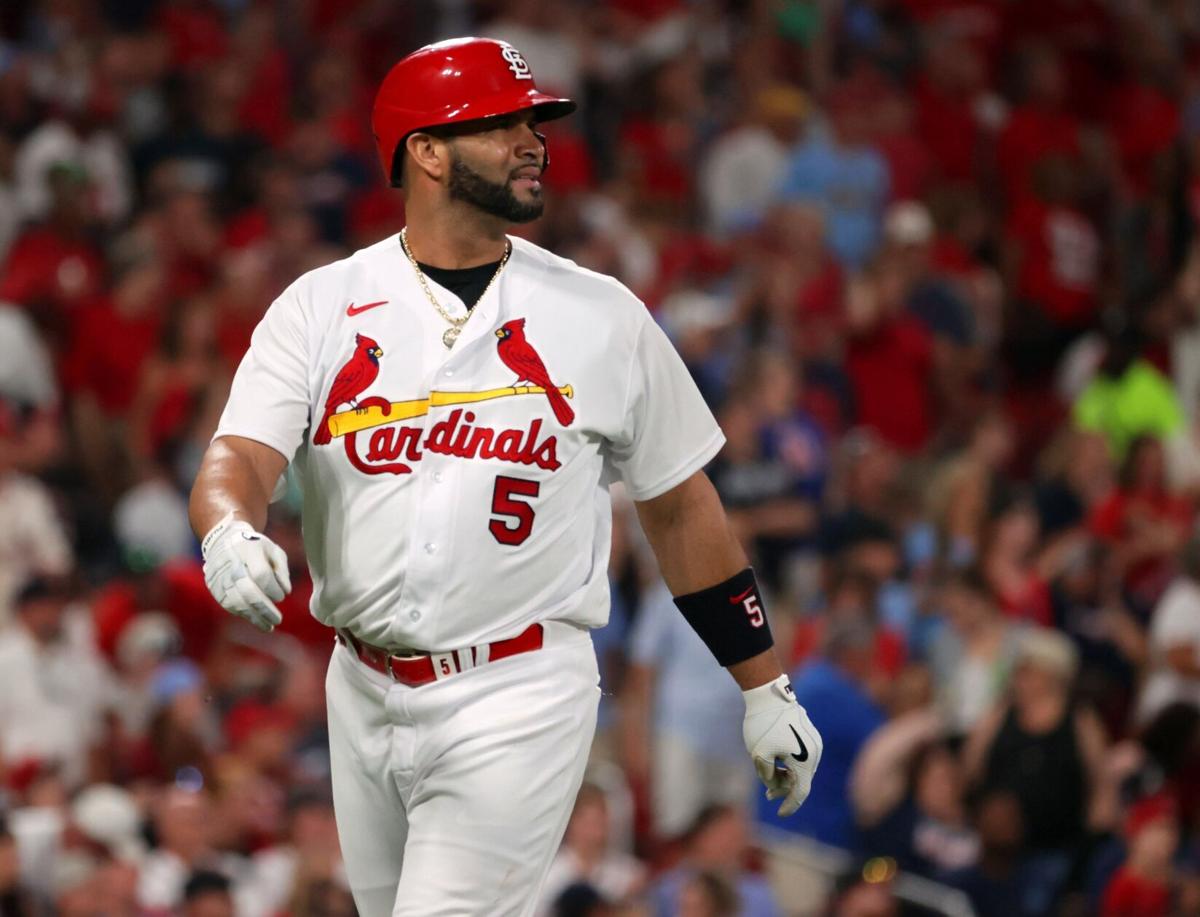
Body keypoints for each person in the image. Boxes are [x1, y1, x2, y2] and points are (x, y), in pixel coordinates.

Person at [188, 37, 822, 917]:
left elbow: (679, 507)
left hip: (517, 688)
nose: (533, 140)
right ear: (426, 151)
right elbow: (240, 454)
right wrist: (228, 526)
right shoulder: (322, 305)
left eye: (536, 121)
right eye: (500, 123)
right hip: (361, 687)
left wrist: (764, 684)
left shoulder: (603, 316)